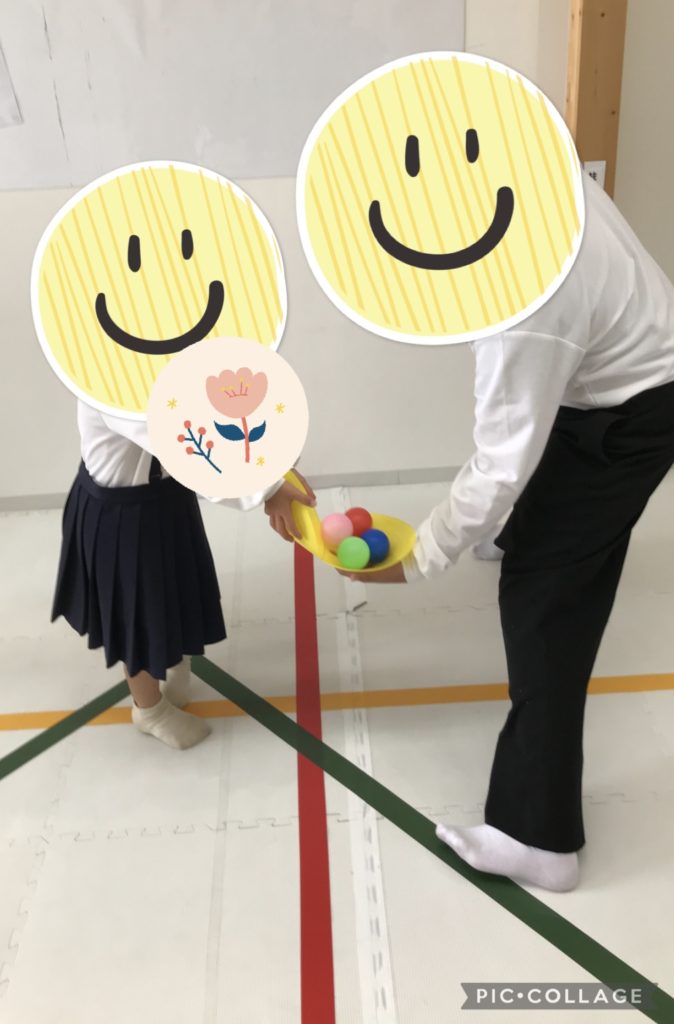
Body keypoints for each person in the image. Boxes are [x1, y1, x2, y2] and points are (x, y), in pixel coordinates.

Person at [328, 172, 674, 891]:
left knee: (545, 604)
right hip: (614, 374)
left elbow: (499, 465)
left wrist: (418, 557)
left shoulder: (524, 311)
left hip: (633, 413)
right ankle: (519, 535)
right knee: (538, 507)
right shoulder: (531, 174)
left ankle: (538, 839)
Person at [52, 399, 314, 750]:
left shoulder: (160, 377)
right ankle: (149, 710)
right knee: (138, 618)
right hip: (123, 514)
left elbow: (206, 409)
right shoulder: (111, 393)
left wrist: (270, 457)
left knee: (177, 585)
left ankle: (172, 657)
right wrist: (268, 488)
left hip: (165, 496)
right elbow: (183, 447)